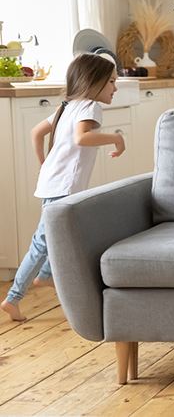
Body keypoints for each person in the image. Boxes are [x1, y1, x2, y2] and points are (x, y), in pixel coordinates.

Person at [1, 53, 124, 321]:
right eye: (112, 82)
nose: (116, 87)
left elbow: (36, 132)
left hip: (53, 182)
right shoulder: (91, 106)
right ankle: (13, 298)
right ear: (95, 82)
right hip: (63, 186)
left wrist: (45, 164)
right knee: (42, 241)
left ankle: (45, 276)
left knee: (61, 234)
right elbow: (82, 138)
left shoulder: (66, 106)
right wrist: (116, 138)